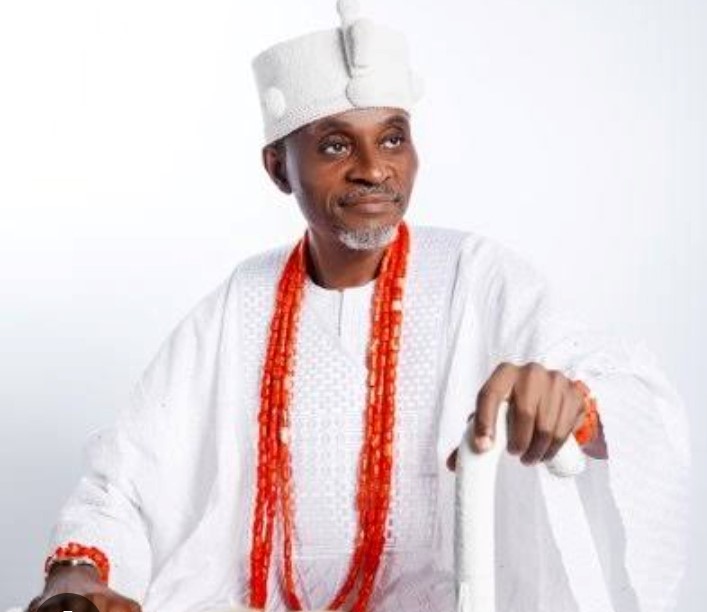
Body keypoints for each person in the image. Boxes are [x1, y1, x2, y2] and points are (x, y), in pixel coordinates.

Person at [27, 1, 690, 611]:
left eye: (393, 138)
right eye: (335, 145)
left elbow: (634, 400)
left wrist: (574, 403)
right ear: (278, 168)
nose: (374, 168)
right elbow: (128, 478)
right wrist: (79, 577)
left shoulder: (475, 274)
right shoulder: (239, 304)